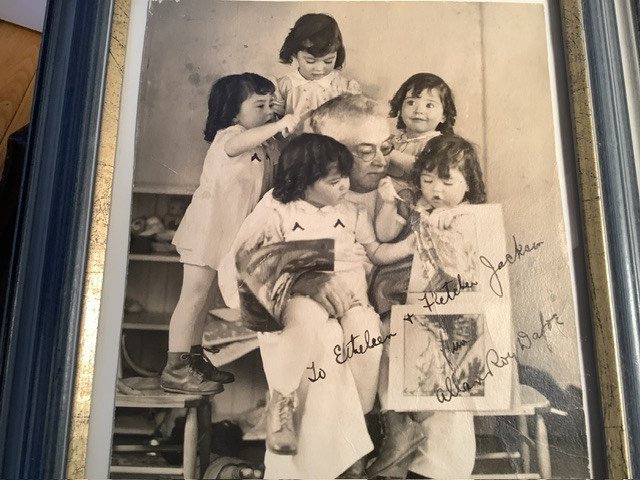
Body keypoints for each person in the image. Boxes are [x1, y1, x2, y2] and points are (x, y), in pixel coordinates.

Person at [161, 73, 298, 394]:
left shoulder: (262, 143)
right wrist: (280, 122)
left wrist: (280, 125)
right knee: (192, 298)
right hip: (206, 230)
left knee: (204, 299)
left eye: (270, 105)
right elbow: (240, 144)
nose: (269, 111)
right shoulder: (229, 136)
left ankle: (194, 359)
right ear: (235, 113)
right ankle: (175, 367)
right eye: (259, 105)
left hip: (228, 235)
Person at [368, 134, 486, 478]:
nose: (435, 190)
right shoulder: (413, 204)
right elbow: (385, 235)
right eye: (427, 179)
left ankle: (442, 468)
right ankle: (400, 438)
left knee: (447, 392)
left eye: (447, 182)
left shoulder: (469, 216)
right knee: (391, 356)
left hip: (447, 313)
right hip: (398, 303)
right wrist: (389, 203)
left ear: (468, 184)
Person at [272, 13, 361, 130]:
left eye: (328, 61)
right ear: (294, 54)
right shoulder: (285, 85)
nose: (319, 69)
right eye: (310, 61)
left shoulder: (343, 86)